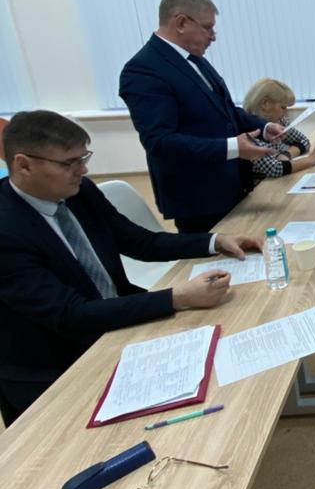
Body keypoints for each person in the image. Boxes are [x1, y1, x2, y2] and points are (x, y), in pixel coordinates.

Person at [0, 110, 262, 428]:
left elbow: (140, 242)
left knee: (224, 354)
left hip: (114, 321)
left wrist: (215, 241)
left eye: (83, 158)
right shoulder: (6, 229)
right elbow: (70, 315)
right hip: (54, 364)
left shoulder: (79, 192)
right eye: (69, 163)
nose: (83, 170)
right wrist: (178, 297)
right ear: (23, 164)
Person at [120, 0, 286, 232]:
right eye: (208, 28)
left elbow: (225, 111)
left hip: (232, 185)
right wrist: (232, 147)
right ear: (181, 22)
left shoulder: (194, 59)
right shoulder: (143, 70)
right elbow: (160, 142)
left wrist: (264, 126)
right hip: (198, 198)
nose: (213, 37)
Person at [241, 78, 315, 183]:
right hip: (262, 186)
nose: (286, 112)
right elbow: (275, 169)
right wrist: (311, 159)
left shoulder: (278, 120)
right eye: (283, 107)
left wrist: (286, 154)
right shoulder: (248, 131)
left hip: (278, 181)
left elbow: (303, 141)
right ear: (265, 103)